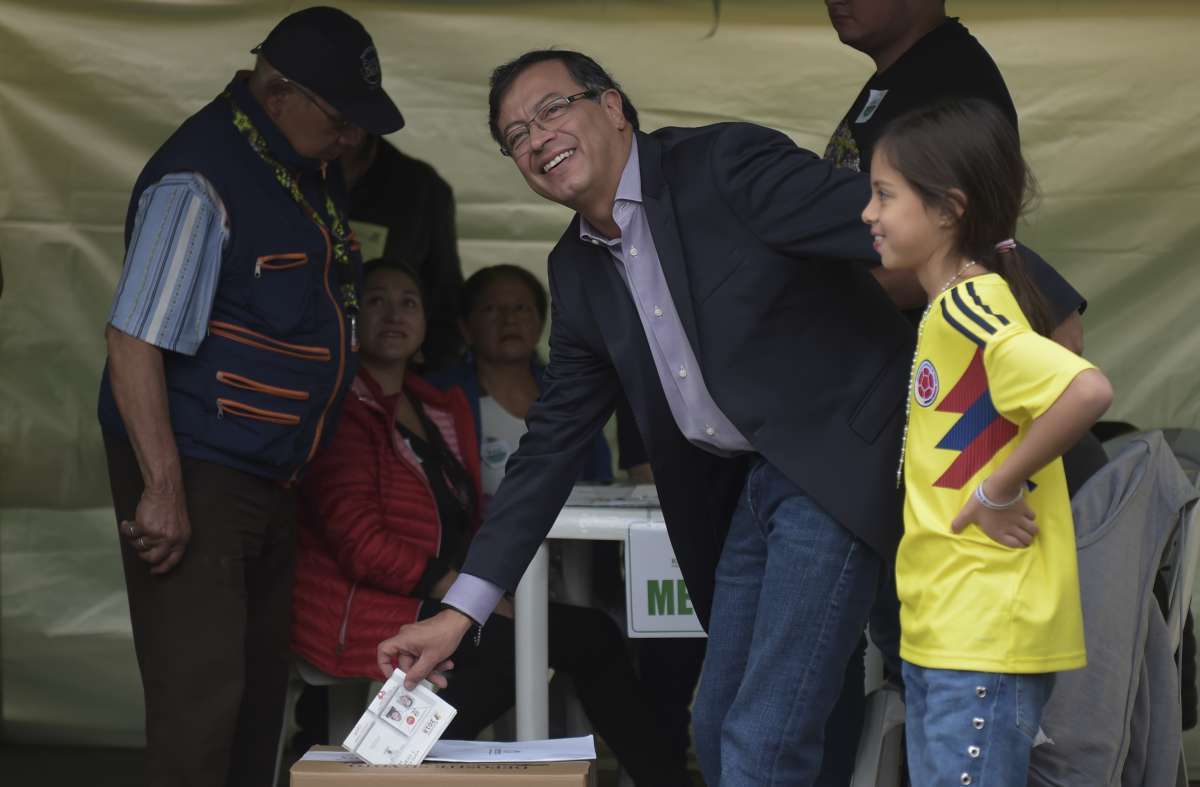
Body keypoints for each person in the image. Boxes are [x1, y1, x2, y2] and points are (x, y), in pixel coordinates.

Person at [377, 49, 920, 785]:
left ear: (612, 107)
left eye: (551, 109)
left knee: (766, 730)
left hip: (838, 460)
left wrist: (1026, 313)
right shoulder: (575, 268)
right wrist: (459, 612)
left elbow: (898, 222)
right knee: (717, 722)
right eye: (515, 136)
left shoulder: (722, 165)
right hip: (749, 489)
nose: (535, 139)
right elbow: (548, 449)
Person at [96, 7, 402, 785]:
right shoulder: (199, 179)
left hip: (271, 473)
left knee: (259, 696)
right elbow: (133, 341)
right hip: (197, 470)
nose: (352, 139)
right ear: (276, 94)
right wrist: (163, 489)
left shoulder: (301, 167)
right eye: (339, 119)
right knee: (201, 701)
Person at [290, 259, 691, 786]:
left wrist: (475, 591)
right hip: (363, 603)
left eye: (408, 302)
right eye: (375, 300)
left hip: (434, 593)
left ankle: (381, 768)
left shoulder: (434, 405)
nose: (393, 314)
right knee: (527, 646)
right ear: (349, 316)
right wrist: (464, 591)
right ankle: (380, 771)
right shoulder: (342, 407)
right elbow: (359, 543)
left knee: (580, 634)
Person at [862, 97, 1113, 784]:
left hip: (981, 628)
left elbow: (1085, 390)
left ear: (948, 210)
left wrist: (998, 489)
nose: (868, 213)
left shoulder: (972, 304)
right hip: (950, 627)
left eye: (884, 194)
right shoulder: (949, 307)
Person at [429, 264, 612, 502]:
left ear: (540, 323)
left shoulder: (570, 396)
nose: (509, 320)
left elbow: (600, 483)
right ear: (465, 328)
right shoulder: (437, 396)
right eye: (491, 309)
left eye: (521, 308)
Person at [342, 133, 465, 371]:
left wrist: (426, 374)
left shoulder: (419, 187)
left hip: (389, 367)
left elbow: (445, 295)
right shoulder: (278, 172)